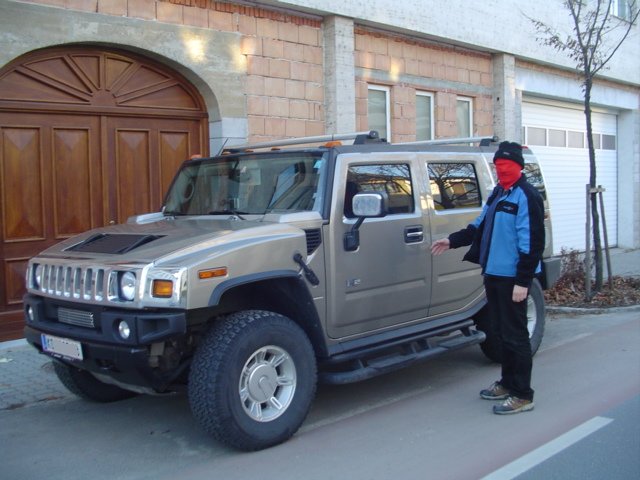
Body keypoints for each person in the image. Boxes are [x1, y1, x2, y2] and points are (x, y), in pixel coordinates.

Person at [431, 141, 545, 415]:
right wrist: (452, 240)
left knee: (516, 336)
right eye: (498, 166)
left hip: (512, 278)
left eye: (507, 166)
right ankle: (507, 383)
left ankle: (522, 394)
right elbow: (478, 226)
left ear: (518, 167)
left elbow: (532, 243)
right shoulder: (498, 193)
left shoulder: (526, 196)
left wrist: (522, 281)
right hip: (493, 274)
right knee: (501, 332)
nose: (502, 170)